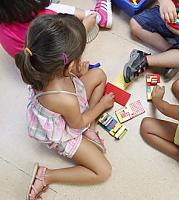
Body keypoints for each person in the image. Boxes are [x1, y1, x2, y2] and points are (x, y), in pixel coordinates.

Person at [15, 14, 114, 199]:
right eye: (79, 57)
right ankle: (47, 175)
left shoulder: (44, 65)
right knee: (103, 171)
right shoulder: (64, 99)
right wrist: (101, 105)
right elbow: (76, 123)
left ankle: (90, 129)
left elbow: (69, 80)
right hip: (67, 127)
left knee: (99, 74)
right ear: (67, 67)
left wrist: (77, 72)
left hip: (70, 102)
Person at [0, 0, 112, 57]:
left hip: (31, 66)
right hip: (55, 63)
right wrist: (85, 27)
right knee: (53, 7)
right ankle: (99, 16)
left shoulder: (3, 27)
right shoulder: (46, 17)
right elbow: (65, 48)